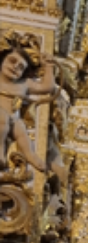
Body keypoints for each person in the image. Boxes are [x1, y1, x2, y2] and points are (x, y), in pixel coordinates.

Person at [0, 36, 58, 172]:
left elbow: (47, 87)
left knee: (21, 131)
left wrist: (48, 66)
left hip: (13, 118)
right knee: (2, 118)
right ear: (2, 60)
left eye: (20, 67)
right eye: (12, 61)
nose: (15, 67)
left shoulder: (23, 84)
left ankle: (30, 154)